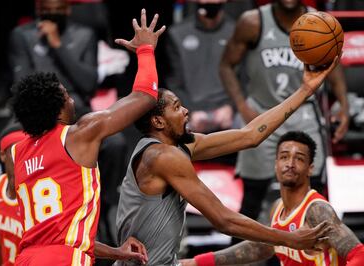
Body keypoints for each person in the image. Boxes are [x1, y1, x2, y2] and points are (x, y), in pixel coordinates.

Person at [115, 55, 340, 266]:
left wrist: (305, 90)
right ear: (158, 122)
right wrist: (289, 239)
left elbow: (250, 135)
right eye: (176, 107)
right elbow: (224, 220)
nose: (185, 111)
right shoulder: (162, 156)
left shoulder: (179, 146)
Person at [10, 9, 166, 265]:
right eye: (67, 95)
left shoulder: (19, 152)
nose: (72, 99)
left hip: (27, 258)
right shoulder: (79, 133)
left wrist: (116, 252)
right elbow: (145, 97)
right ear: (58, 106)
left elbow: (57, 236)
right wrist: (146, 51)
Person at [219, 0, 349, 245]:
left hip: (303, 115)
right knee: (253, 198)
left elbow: (334, 67)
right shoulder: (253, 21)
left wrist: (343, 104)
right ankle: (234, 260)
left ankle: (305, 259)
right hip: (262, 113)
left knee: (312, 196)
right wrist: (242, 105)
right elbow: (226, 65)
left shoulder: (321, 22)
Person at [8, 0, 130, 246]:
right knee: (10, 142)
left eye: (57, 9)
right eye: (46, 10)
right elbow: (23, 85)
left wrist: (57, 45)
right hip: (37, 111)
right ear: (38, 10)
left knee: (115, 143)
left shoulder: (85, 34)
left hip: (75, 110)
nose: (52, 14)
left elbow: (88, 83)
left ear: (67, 10)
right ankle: (22, 216)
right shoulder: (22, 35)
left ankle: (102, 206)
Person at [181, 131, 364, 266]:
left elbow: (360, 255)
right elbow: (261, 247)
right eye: (284, 157)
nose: (290, 164)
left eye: (299, 159)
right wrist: (198, 262)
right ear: (276, 164)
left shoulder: (316, 210)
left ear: (310, 168)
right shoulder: (277, 207)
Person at [0, 122, 150, 266]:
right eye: (17, 149)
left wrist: (116, 252)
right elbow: (2, 237)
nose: (24, 154)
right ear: (2, 155)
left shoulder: (45, 196)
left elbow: (72, 241)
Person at [165, 0, 236, 134]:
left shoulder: (237, 30)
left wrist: (231, 107)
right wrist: (189, 111)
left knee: (249, 123)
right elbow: (173, 82)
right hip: (190, 109)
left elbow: (245, 77)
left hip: (228, 108)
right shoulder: (177, 33)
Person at [0, 123, 28, 266]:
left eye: (28, 151)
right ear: (3, 155)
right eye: (17, 152)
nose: (24, 158)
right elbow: (3, 236)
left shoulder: (39, 195)